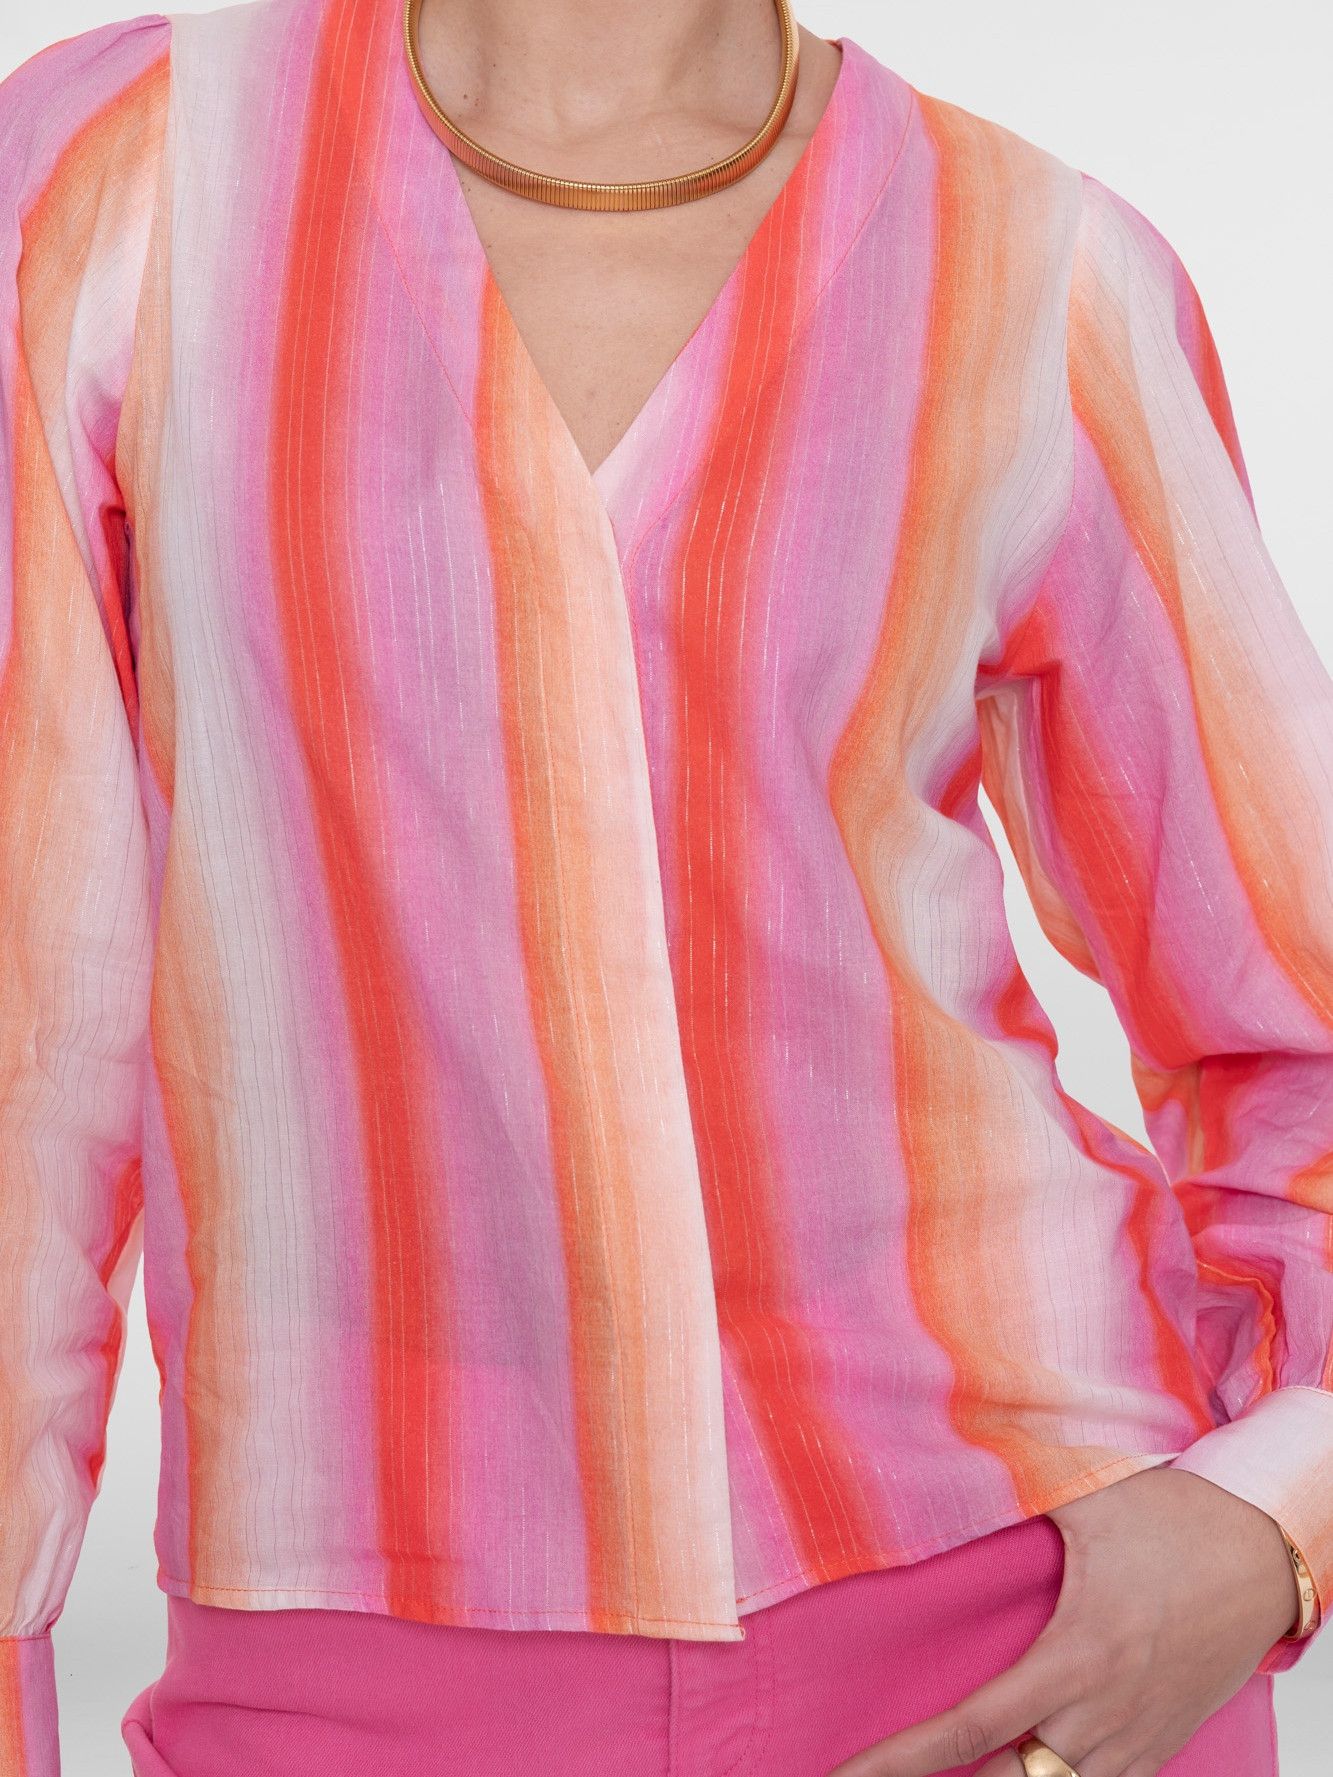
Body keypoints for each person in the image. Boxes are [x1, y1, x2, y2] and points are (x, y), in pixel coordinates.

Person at [0, 0, 1328, 1772]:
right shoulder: (132, 172)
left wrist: (1265, 1517)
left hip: (1027, 1622)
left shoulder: (1039, 269)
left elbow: (1292, 1008)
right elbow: (27, 1033)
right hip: (352, 1644)